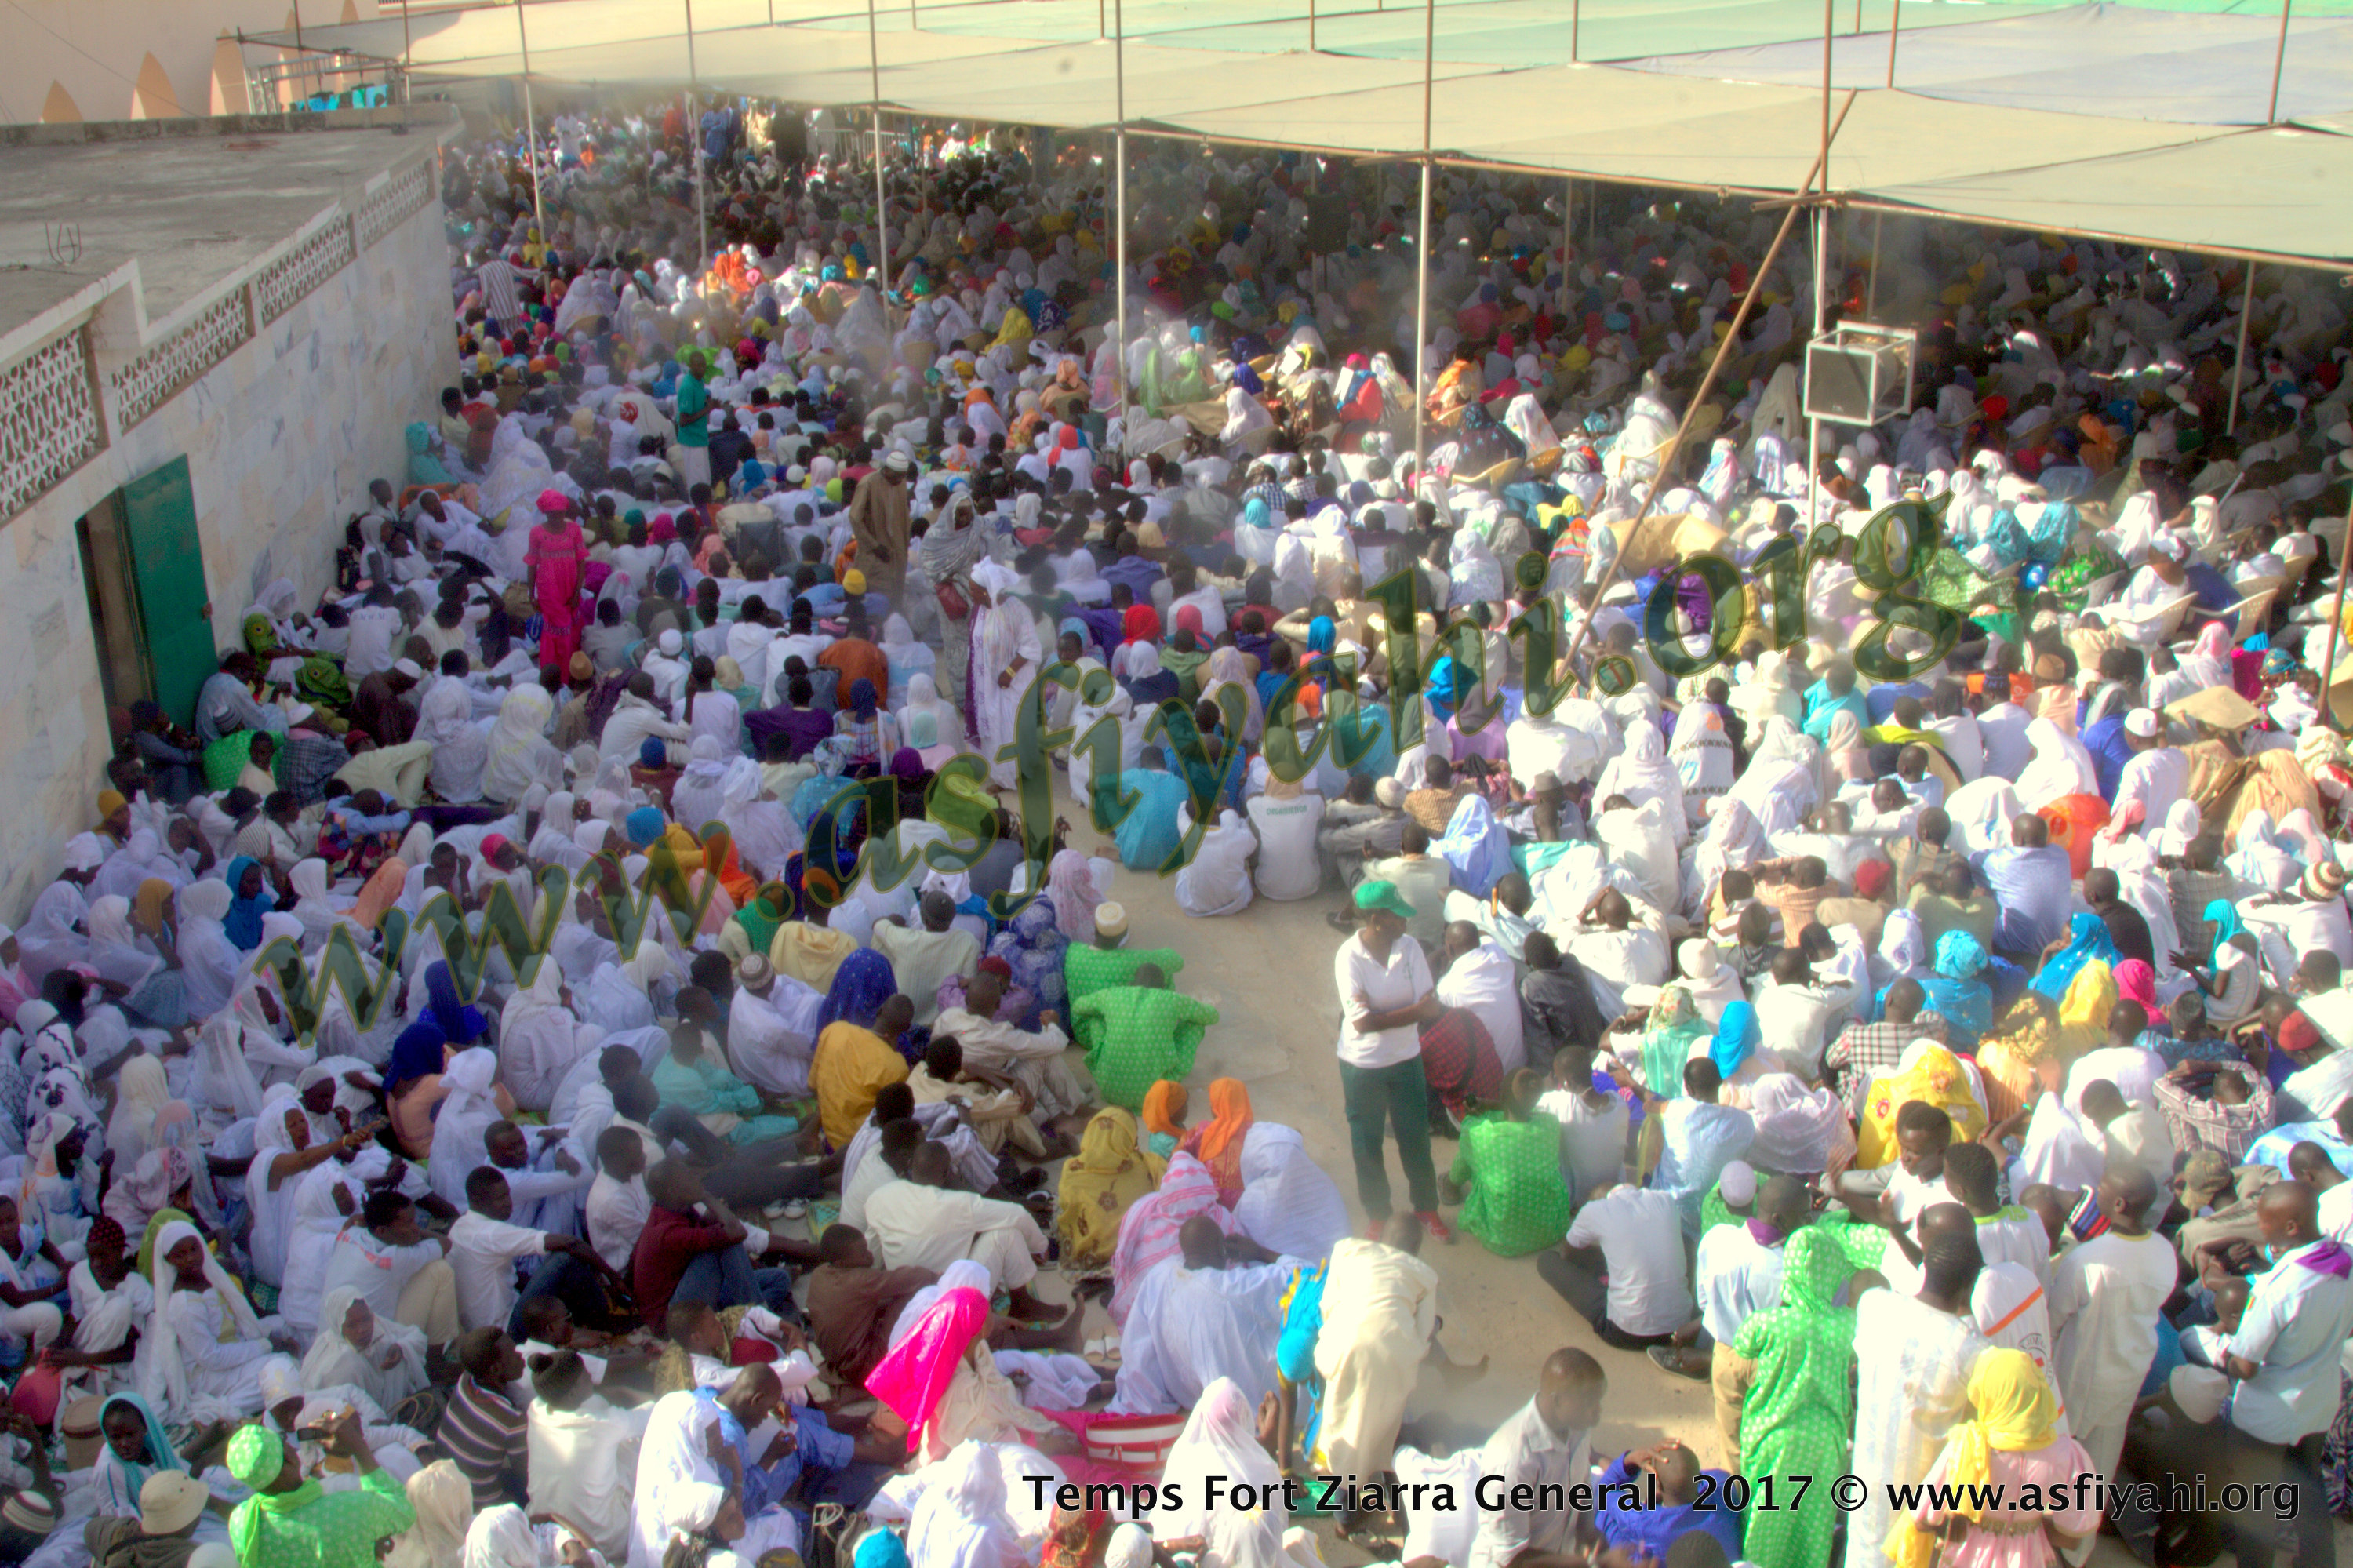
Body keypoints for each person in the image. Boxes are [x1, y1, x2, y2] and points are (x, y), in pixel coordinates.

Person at [1847, 1224, 1989, 1568]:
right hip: (1923, 1507)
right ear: (1970, 1287)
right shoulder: (1972, 1351)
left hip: (1866, 1488)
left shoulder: (1875, 1306)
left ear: (1923, 1268)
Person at [1332, 880, 1446, 1235]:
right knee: (1367, 1143)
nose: (1406, 923)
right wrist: (1414, 1011)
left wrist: (1388, 1014)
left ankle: (1427, 1208)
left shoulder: (1409, 948)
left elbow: (1433, 1006)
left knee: (1415, 1138)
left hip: (1406, 1059)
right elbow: (1363, 1023)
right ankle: (1378, 1212)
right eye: (1399, 917)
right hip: (1362, 1066)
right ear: (1378, 919)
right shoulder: (1349, 957)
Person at [2049, 1166, 2176, 1483]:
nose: (2094, 1191)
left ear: (2118, 1204)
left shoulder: (2087, 1260)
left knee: (2058, 1470)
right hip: (2128, 1372)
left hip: (2079, 1378)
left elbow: (2053, 1321)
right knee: (2098, 1472)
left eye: (2101, 1188)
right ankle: (2085, 1532)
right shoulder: (2163, 1249)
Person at [1113, 1215, 1300, 1413]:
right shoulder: (1241, 1288)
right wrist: (1259, 1252)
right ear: (1222, 1250)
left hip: (1190, 1398)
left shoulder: (1160, 1276)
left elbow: (1139, 1352)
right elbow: (1306, 1276)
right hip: (1254, 1405)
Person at [1466, 1348, 1607, 1568]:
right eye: (1590, 1402)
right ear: (1558, 1401)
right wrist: (1588, 1564)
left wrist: (1588, 1531)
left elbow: (1582, 1486)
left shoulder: (1578, 1426)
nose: (1597, 1411)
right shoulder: (1511, 1461)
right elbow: (1512, 1559)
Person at [222, 1412, 415, 1568]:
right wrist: (357, 1446)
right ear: (289, 1458)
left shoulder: (242, 1522)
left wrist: (363, 1540)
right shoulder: (348, 1509)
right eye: (282, 1440)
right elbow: (402, 1510)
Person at [1547, 1181, 1693, 1350]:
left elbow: (1568, 1252)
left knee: (1548, 1261)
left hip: (1625, 1333)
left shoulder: (1596, 1210)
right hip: (1680, 1328)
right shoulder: (1666, 1200)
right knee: (1682, 1241)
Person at [1443, 1067, 1574, 1256]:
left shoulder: (1482, 1133)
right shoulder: (1551, 1124)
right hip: (1552, 1230)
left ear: (1502, 1095)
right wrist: (1496, 1105)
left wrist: (1483, 1109)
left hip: (1501, 1237)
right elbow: (1525, 1110)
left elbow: (1468, 1133)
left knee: (1472, 1160)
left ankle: (1450, 1184)